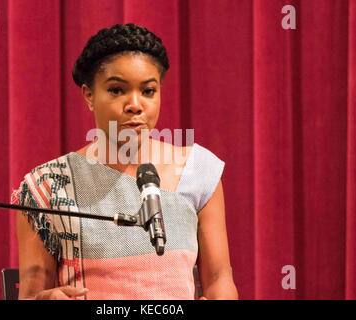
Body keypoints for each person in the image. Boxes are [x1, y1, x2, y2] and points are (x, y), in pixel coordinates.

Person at [13, 23, 238, 300]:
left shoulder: (198, 171)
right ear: (89, 95)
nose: (135, 104)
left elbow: (219, 279)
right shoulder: (46, 186)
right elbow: (31, 295)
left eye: (148, 91)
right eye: (117, 90)